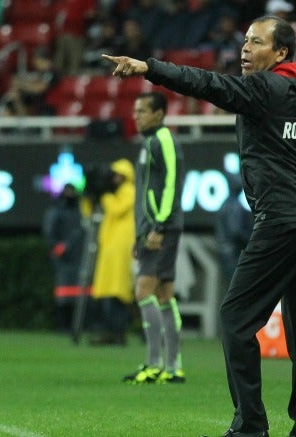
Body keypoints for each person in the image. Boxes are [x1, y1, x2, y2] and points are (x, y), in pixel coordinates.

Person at [103, 14, 296, 436]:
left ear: (280, 53)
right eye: (244, 40)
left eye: (256, 42)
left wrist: (151, 67)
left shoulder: (267, 88)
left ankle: (250, 427)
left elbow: (209, 85)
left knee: (235, 318)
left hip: (281, 219)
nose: (244, 48)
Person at [119, 91, 186, 384]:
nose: (136, 116)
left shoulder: (164, 140)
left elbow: (172, 183)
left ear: (159, 114)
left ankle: (155, 362)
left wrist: (159, 226)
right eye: (135, 111)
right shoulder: (148, 142)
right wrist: (141, 232)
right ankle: (172, 366)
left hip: (162, 228)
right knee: (163, 294)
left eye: (142, 111)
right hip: (152, 228)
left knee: (144, 291)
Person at [89, 159, 136, 346]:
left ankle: (117, 332)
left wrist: (104, 196)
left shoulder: (129, 191)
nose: (113, 179)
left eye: (117, 175)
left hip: (120, 248)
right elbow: (89, 212)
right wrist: (92, 196)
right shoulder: (115, 194)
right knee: (108, 291)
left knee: (118, 292)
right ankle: (109, 332)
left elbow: (117, 209)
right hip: (110, 247)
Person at [42, 183, 85, 332]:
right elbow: (49, 233)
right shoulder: (56, 211)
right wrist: (57, 247)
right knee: (63, 293)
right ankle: (62, 325)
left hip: (79, 257)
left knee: (80, 293)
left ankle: (79, 325)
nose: (70, 194)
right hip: (63, 259)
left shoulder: (81, 211)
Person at [215, 173, 253, 286]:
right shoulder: (234, 206)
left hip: (226, 251)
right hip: (234, 252)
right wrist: (251, 240)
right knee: (237, 286)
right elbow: (235, 231)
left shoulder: (225, 204)